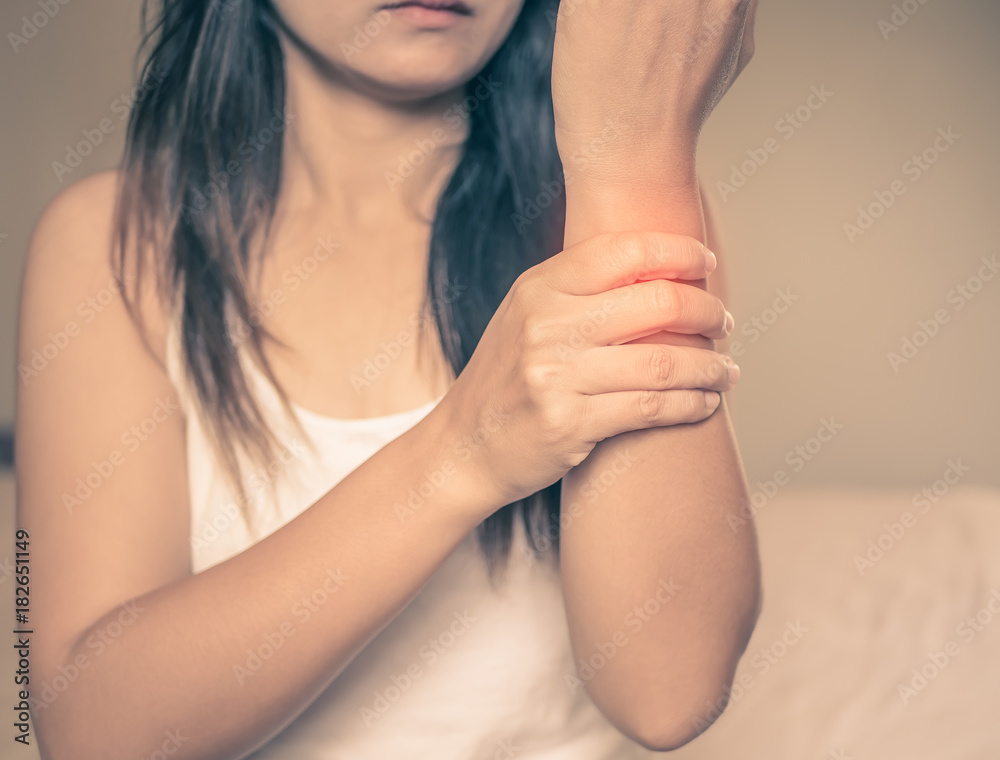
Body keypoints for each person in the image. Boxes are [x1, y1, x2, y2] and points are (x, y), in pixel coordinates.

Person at [16, 0, 762, 757]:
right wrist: (465, 450)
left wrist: (635, 155)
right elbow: (87, 733)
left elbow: (670, 693)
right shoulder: (112, 245)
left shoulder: (620, 198)